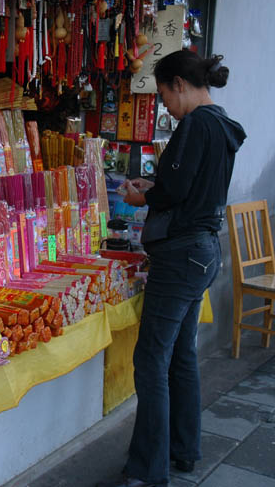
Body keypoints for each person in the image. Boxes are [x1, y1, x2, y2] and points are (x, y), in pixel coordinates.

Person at [99, 50, 246, 487]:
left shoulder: (197, 124)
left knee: (151, 358)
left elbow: (176, 190)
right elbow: (185, 187)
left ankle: (147, 469)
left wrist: (143, 195)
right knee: (180, 354)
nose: (165, 105)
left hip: (182, 254)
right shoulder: (220, 124)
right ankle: (183, 450)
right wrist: (156, 186)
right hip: (202, 249)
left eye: (164, 95)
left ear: (180, 84)